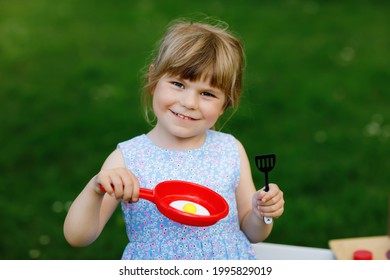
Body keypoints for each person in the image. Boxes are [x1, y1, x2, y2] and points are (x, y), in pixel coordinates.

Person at [63, 18, 285, 260]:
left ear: (226, 103)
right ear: (154, 80)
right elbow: (78, 237)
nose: (189, 103)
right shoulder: (127, 158)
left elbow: (253, 232)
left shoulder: (229, 149)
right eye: (178, 84)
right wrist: (96, 188)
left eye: (207, 93)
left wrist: (262, 212)